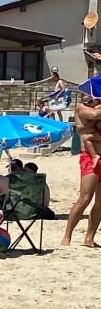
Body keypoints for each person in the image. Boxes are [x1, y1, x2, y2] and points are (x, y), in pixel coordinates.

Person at [64, 97, 101, 246]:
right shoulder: (80, 107)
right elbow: (94, 115)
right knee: (85, 198)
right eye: (88, 99)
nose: (90, 101)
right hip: (89, 157)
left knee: (100, 202)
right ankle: (67, 237)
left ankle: (89, 238)